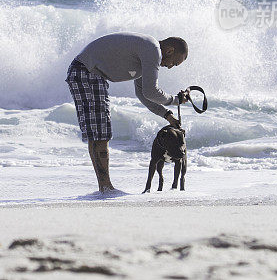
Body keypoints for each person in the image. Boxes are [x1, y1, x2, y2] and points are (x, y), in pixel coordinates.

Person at [66, 32, 188, 192]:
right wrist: (175, 100)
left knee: (97, 134)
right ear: (170, 50)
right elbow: (151, 91)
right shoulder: (153, 49)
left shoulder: (147, 51)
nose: (170, 67)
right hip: (86, 72)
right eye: (174, 63)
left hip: (85, 72)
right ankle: (106, 188)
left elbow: (143, 94)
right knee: (100, 135)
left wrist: (167, 115)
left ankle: (104, 187)